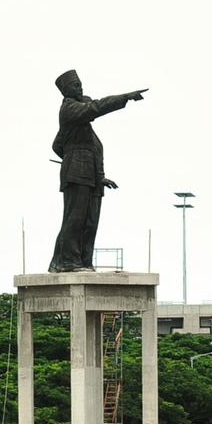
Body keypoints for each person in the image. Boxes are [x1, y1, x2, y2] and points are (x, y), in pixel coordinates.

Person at [48, 69, 146, 272]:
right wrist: (124, 97)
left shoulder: (80, 127)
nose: (80, 88)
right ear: (66, 91)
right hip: (77, 174)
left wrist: (100, 176)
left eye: (80, 84)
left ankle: (83, 260)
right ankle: (68, 261)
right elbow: (95, 107)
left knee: (90, 221)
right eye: (76, 85)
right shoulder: (69, 109)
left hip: (91, 177)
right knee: (75, 218)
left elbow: (57, 144)